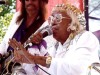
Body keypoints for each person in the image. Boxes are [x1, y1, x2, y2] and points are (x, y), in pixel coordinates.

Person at [9, 4, 100, 75]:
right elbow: (44, 72)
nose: (52, 22)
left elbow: (78, 69)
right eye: (51, 19)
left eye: (57, 18)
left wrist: (34, 59)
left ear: (73, 22)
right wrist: (27, 60)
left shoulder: (85, 37)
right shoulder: (54, 47)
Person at [0, 0, 49, 74]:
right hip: (4, 68)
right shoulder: (17, 17)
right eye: (27, 0)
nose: (30, 2)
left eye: (34, 0)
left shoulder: (45, 27)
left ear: (41, 2)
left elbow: (44, 61)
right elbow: (5, 42)